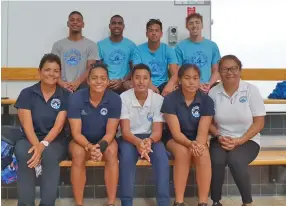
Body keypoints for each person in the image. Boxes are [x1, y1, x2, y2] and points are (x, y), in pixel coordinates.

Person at [208, 55, 266, 206]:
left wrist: (240, 140)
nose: (229, 72)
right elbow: (208, 122)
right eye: (224, 69)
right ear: (219, 71)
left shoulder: (251, 90)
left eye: (233, 68)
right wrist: (219, 136)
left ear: (240, 70)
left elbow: (259, 123)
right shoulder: (213, 92)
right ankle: (215, 201)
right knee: (217, 160)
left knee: (235, 159)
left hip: (248, 140)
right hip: (220, 138)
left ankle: (247, 202)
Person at [14, 53, 70, 206]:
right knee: (25, 153)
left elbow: (58, 126)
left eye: (56, 71)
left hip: (55, 140)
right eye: (47, 69)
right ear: (39, 71)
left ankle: (47, 203)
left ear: (60, 74)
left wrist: (43, 145)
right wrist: (37, 146)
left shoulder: (65, 95)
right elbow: (27, 125)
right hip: (28, 138)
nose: (51, 74)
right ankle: (26, 203)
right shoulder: (27, 93)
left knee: (50, 155)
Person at [67, 63, 121, 206]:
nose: (99, 81)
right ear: (88, 80)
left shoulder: (115, 99)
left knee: (111, 151)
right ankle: (79, 203)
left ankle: (111, 202)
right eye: (95, 78)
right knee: (78, 154)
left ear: (108, 81)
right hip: (80, 140)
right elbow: (76, 133)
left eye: (103, 78)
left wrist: (100, 147)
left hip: (105, 140)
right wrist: (90, 147)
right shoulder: (76, 98)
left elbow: (111, 132)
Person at [161, 64, 215, 206]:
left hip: (197, 138)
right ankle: (179, 201)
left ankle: (203, 201)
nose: (192, 82)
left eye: (195, 78)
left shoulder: (206, 100)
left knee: (203, 153)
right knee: (182, 152)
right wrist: (191, 144)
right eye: (187, 78)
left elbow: (203, 131)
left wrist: (197, 145)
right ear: (179, 80)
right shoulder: (170, 99)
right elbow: (176, 133)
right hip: (174, 138)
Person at [118, 64, 170, 206]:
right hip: (129, 138)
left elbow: (158, 131)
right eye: (137, 78)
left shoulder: (158, 99)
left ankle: (164, 202)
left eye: (145, 78)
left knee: (161, 158)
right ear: (131, 81)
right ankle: (127, 202)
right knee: (127, 159)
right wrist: (138, 143)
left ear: (150, 81)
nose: (141, 82)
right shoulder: (124, 98)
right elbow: (125, 131)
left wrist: (148, 141)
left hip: (151, 138)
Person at [52, 11, 99, 92]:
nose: (75, 22)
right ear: (68, 23)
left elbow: (90, 68)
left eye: (78, 20)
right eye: (72, 20)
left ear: (83, 24)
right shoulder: (58, 45)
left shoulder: (91, 45)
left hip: (83, 88)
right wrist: (62, 83)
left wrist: (77, 83)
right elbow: (53, 67)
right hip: (61, 87)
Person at [175, 13, 221, 93]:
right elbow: (177, 72)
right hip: (188, 88)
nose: (194, 26)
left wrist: (208, 84)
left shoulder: (212, 46)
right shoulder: (180, 47)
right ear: (187, 26)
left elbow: (216, 70)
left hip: (207, 88)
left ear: (202, 25)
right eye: (191, 23)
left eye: (197, 22)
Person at [132, 19, 178, 96]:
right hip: (144, 83)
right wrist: (149, 85)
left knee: (175, 89)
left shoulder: (168, 50)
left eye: (157, 30)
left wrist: (169, 85)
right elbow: (137, 71)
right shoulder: (138, 50)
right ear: (146, 34)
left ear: (161, 34)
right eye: (151, 30)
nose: (154, 33)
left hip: (163, 84)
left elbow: (175, 73)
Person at [97, 15, 136, 93]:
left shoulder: (131, 45)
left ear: (123, 26)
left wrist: (121, 80)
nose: (116, 26)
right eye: (114, 23)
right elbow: (98, 67)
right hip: (106, 81)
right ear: (109, 26)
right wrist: (106, 80)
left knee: (131, 86)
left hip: (124, 81)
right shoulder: (100, 45)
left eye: (119, 23)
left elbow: (134, 69)